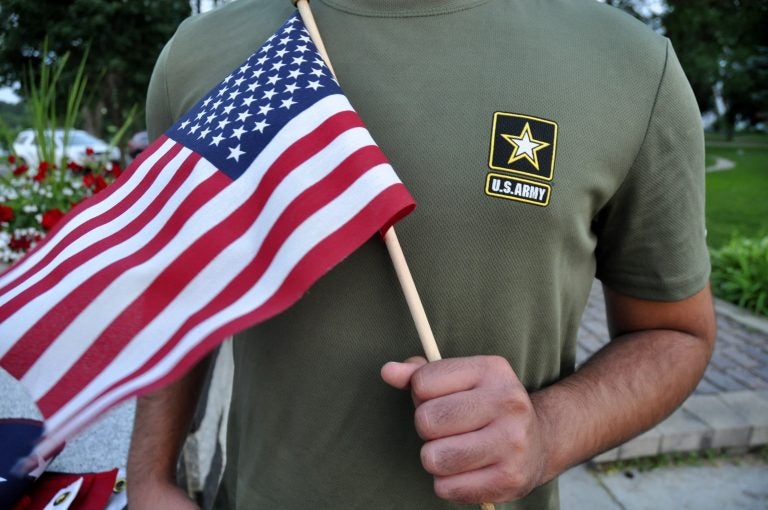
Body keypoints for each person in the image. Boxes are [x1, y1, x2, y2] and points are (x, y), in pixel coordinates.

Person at [127, 0, 716, 508]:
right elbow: (178, 282)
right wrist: (151, 478)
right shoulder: (200, 54)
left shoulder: (631, 68)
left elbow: (675, 333)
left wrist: (548, 432)